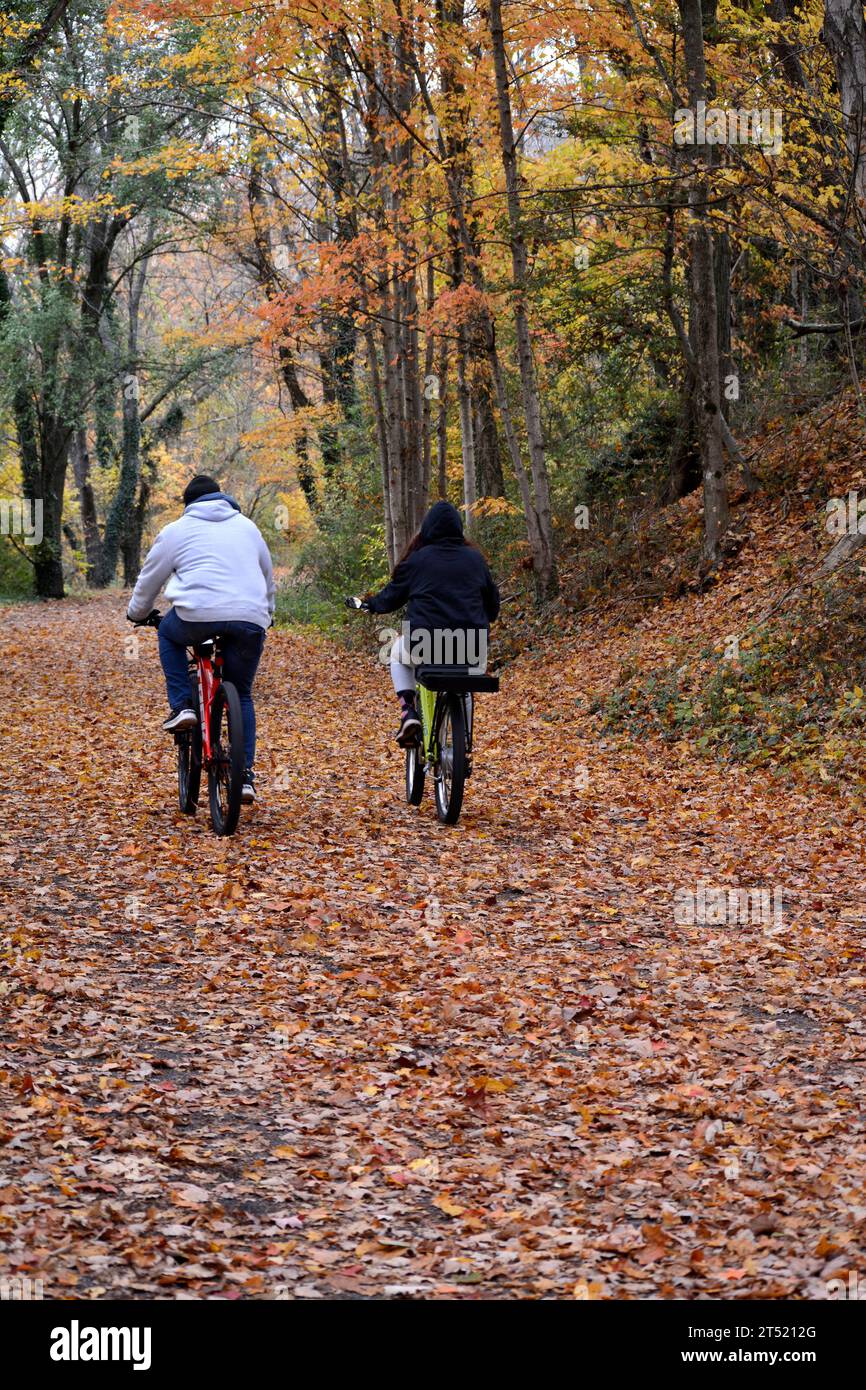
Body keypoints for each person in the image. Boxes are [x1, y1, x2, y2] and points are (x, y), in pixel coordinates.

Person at [127, 474, 275, 803]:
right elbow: (267, 576)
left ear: (188, 504)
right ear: (223, 498)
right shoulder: (248, 528)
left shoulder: (176, 531)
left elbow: (149, 579)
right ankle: (246, 777)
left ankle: (182, 707)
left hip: (196, 616)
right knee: (243, 695)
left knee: (168, 632)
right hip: (250, 618)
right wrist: (268, 612)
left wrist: (138, 613)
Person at [350, 500, 500, 745]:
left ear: (428, 529)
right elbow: (492, 608)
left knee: (397, 655)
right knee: (465, 682)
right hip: (472, 647)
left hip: (425, 646)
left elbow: (389, 598)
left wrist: (370, 604)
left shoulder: (417, 560)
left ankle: (408, 711)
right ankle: (464, 742)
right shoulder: (476, 560)